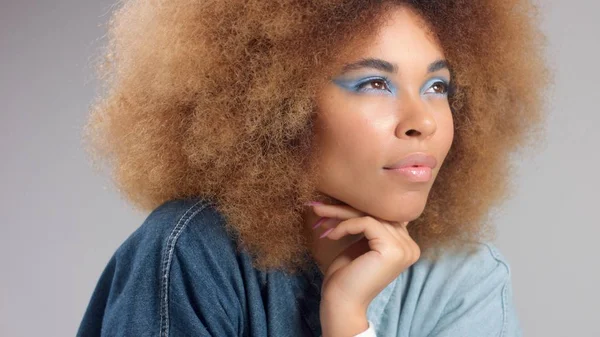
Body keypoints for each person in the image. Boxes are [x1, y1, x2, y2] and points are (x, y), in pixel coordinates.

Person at [77, 0, 549, 336]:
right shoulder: (194, 254)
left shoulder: (463, 281)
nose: (422, 121)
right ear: (279, 102)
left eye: (437, 86)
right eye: (375, 82)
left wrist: (347, 321)